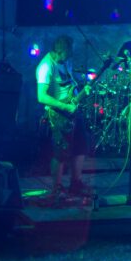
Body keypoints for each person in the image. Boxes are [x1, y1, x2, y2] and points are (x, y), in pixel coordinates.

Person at [36, 35, 91, 197]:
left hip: (73, 110)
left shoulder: (65, 62)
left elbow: (69, 84)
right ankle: (56, 188)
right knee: (60, 153)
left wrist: (81, 91)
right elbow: (41, 96)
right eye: (68, 52)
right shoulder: (46, 67)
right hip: (58, 114)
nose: (70, 55)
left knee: (80, 146)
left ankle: (76, 182)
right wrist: (65, 106)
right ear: (60, 51)